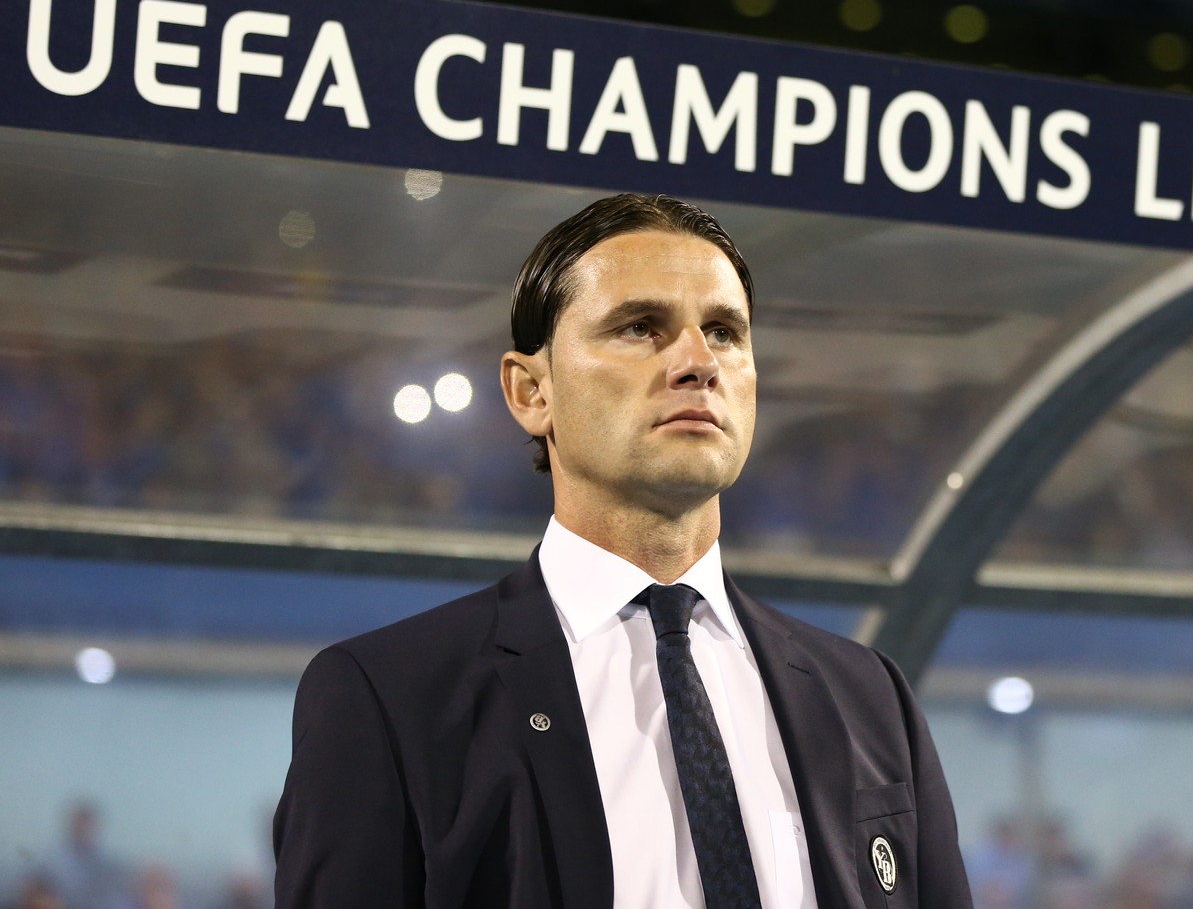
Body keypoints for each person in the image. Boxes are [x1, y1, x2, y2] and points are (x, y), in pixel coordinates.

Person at [272, 193, 972, 909]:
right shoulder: (389, 696)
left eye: (725, 331)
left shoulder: (869, 694)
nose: (699, 362)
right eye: (641, 327)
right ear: (531, 390)